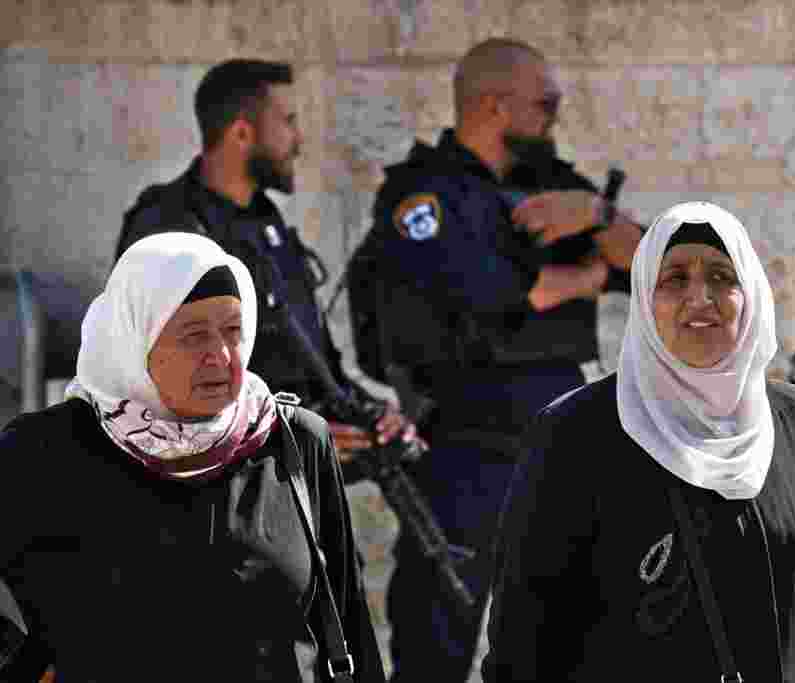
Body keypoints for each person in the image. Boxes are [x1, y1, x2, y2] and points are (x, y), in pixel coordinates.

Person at [483, 201, 795, 682]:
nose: (701, 296)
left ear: (752, 294)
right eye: (674, 279)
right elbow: (524, 644)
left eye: (722, 276)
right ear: (643, 299)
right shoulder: (573, 433)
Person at [356, 38, 644, 682]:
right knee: (438, 640)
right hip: (464, 450)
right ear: (493, 105)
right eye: (544, 104)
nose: (555, 118)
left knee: (565, 643)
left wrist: (596, 213)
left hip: (559, 449)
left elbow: (657, 261)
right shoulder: (427, 198)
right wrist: (580, 279)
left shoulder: (552, 186)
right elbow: (496, 306)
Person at [0, 232, 385, 682]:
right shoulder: (46, 452)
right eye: (193, 335)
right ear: (135, 340)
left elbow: (348, 620)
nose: (221, 355)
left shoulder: (296, 442)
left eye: (232, 330)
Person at [113, 58, 418, 467]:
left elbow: (314, 364)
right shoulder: (171, 227)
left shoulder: (266, 224)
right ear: (242, 132)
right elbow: (158, 384)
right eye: (288, 121)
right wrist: (277, 432)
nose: (298, 141)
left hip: (290, 478)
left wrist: (377, 416)